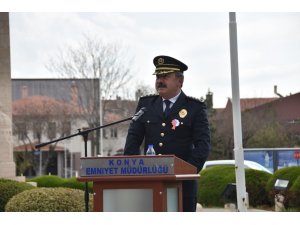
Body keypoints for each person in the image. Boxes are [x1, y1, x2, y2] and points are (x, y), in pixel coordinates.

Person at [124, 55, 211, 212]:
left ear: (180, 81)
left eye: (165, 76)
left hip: (182, 185)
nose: (160, 80)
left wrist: (187, 172)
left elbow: (203, 145)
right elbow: (133, 140)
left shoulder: (195, 108)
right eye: (158, 76)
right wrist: (132, 172)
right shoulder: (146, 105)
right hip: (150, 182)